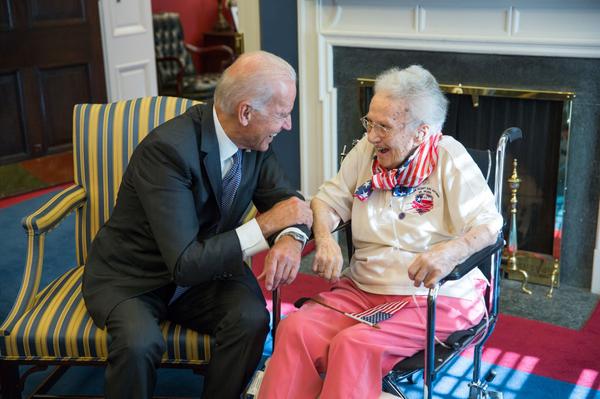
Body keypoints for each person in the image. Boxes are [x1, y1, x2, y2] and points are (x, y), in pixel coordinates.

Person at [258, 65, 503, 399]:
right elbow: (327, 202)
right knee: (294, 328)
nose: (372, 136)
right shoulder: (366, 152)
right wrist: (326, 239)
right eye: (369, 123)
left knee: (353, 344)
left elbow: (490, 225)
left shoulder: (449, 157)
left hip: (431, 297)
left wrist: (448, 253)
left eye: (383, 127)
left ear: (421, 132)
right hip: (363, 288)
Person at [82, 51, 312, 399]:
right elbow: (185, 263)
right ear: (246, 112)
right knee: (139, 344)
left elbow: (289, 203)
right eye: (282, 114)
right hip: (135, 277)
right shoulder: (167, 151)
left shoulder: (255, 143)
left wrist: (290, 239)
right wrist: (265, 225)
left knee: (251, 319)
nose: (287, 125)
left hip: (207, 274)